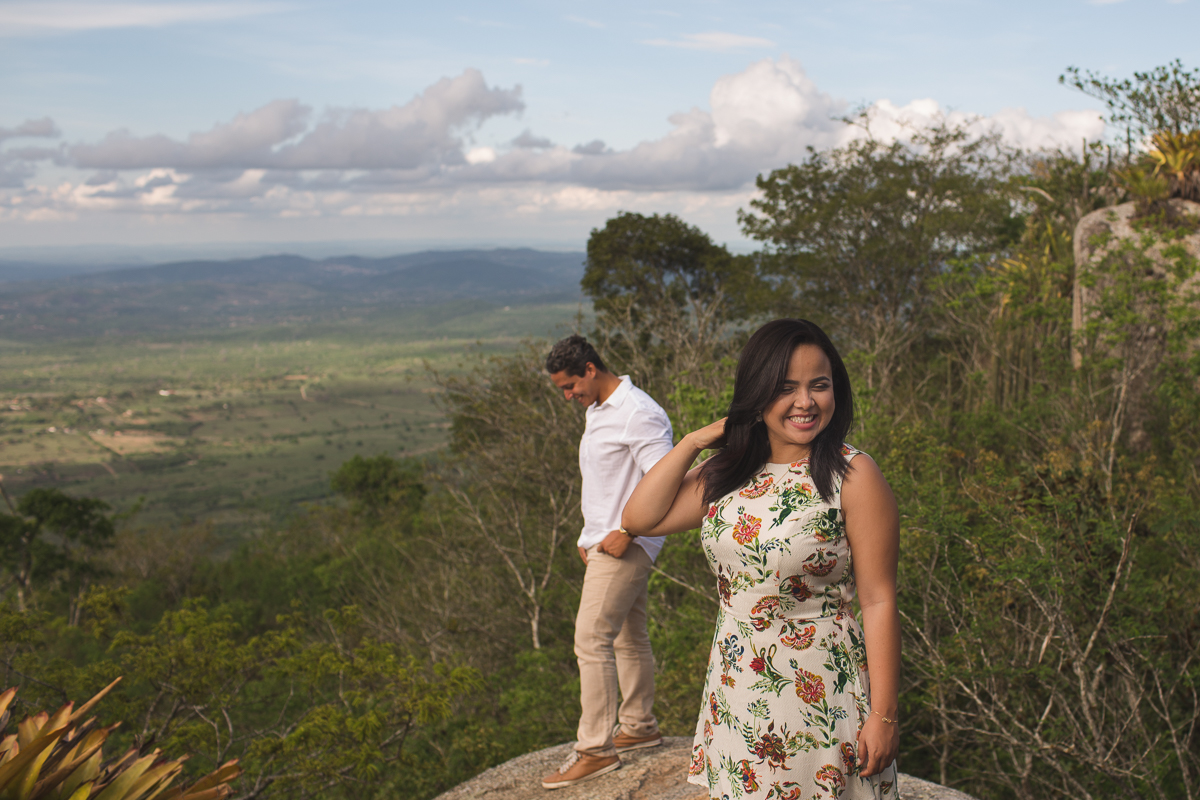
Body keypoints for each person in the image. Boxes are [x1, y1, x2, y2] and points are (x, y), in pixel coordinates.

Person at [622, 319, 901, 800]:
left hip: (821, 692)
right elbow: (640, 518)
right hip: (736, 689)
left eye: (820, 385)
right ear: (757, 393)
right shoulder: (729, 471)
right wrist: (691, 442)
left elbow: (878, 599)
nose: (806, 402)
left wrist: (884, 716)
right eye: (785, 388)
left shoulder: (853, 475)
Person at [540, 335, 675, 790]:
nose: (568, 396)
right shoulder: (598, 409)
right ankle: (638, 727)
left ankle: (595, 750)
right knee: (627, 637)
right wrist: (589, 534)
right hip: (605, 541)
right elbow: (605, 482)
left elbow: (664, 479)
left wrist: (628, 531)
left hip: (628, 544)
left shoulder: (638, 412)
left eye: (570, 386)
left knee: (590, 640)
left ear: (591, 369)